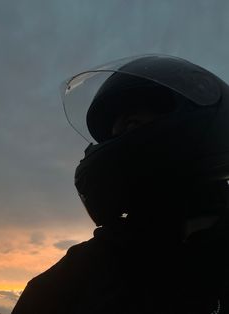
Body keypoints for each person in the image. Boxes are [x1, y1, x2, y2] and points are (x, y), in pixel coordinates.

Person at [12, 54, 229, 314]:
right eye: (112, 136)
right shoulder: (74, 277)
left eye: (132, 123)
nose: (115, 144)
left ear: (197, 127)